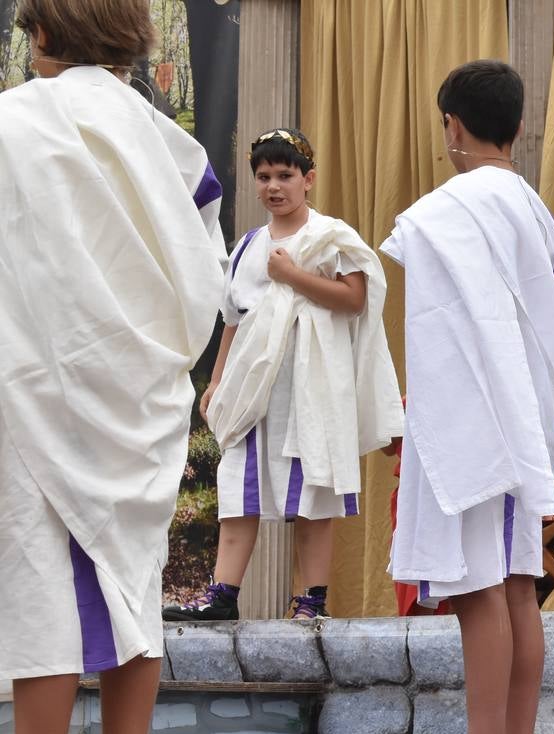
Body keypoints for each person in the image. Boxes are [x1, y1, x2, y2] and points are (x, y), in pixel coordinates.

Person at [0, 0, 226, 734]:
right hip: (144, 391)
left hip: (41, 380)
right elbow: (207, 266)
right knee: (133, 575)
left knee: (43, 577)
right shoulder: (168, 140)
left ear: (44, 34)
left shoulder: (14, 122)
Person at [379, 60, 554, 734]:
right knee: (518, 585)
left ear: (453, 126)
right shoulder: (535, 209)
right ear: (519, 127)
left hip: (474, 418)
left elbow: (446, 330)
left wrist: (428, 416)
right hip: (523, 415)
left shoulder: (445, 210)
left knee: (479, 590)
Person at [162, 128, 402, 622]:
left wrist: (292, 276)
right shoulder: (249, 245)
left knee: (313, 495)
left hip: (310, 386)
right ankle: (223, 595)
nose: (274, 186)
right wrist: (217, 381)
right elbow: (234, 319)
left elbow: (355, 298)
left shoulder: (331, 237)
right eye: (264, 176)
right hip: (253, 384)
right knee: (238, 489)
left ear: (307, 179)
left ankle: (310, 601)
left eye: (285, 175)